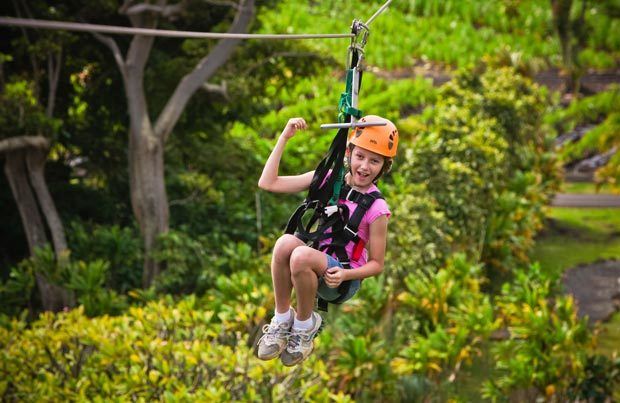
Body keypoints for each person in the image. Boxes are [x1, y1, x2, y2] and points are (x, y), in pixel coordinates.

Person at [256, 115, 398, 366]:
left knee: (300, 255)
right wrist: (284, 137)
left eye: (374, 161)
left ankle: (304, 326)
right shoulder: (330, 179)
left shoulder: (377, 208)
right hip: (313, 265)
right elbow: (268, 183)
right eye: (360, 157)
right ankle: (281, 318)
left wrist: (345, 276)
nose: (365, 167)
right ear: (349, 153)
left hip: (342, 279)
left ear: (384, 167)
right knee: (284, 244)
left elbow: (377, 264)